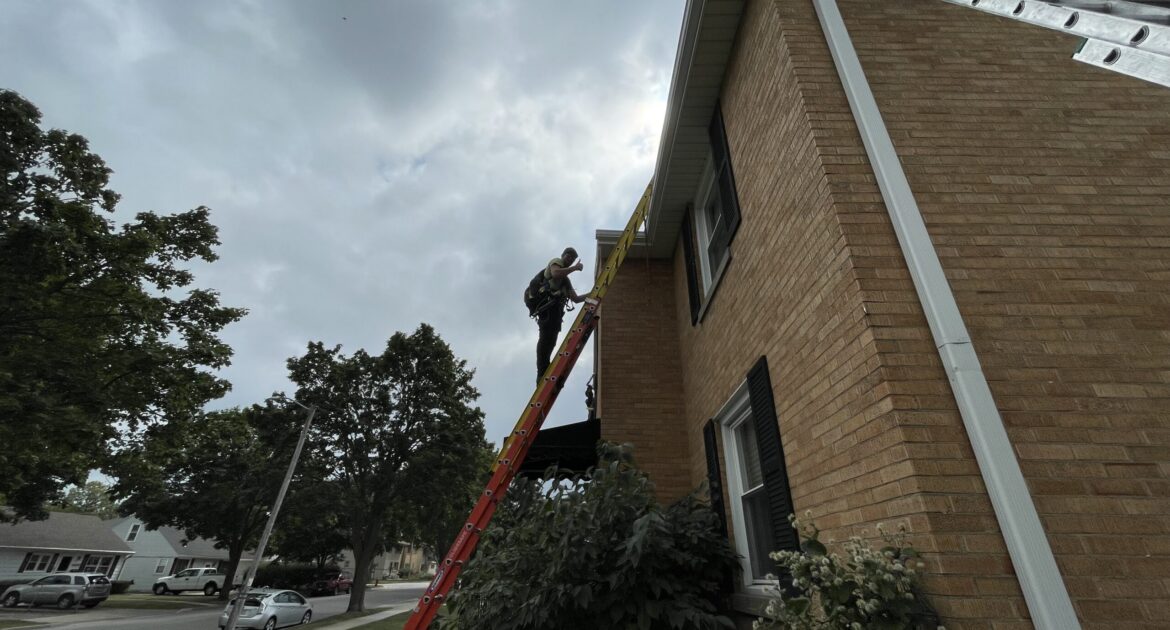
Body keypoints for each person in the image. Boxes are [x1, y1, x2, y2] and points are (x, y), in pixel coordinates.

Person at [525, 247, 588, 385]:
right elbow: (555, 274)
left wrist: (592, 294)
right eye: (568, 256)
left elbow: (576, 299)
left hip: (554, 315)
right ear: (563, 255)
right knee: (544, 341)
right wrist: (576, 268)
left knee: (551, 342)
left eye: (572, 258)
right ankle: (541, 374)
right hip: (546, 311)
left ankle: (545, 371)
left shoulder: (566, 281)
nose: (570, 259)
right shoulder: (556, 262)